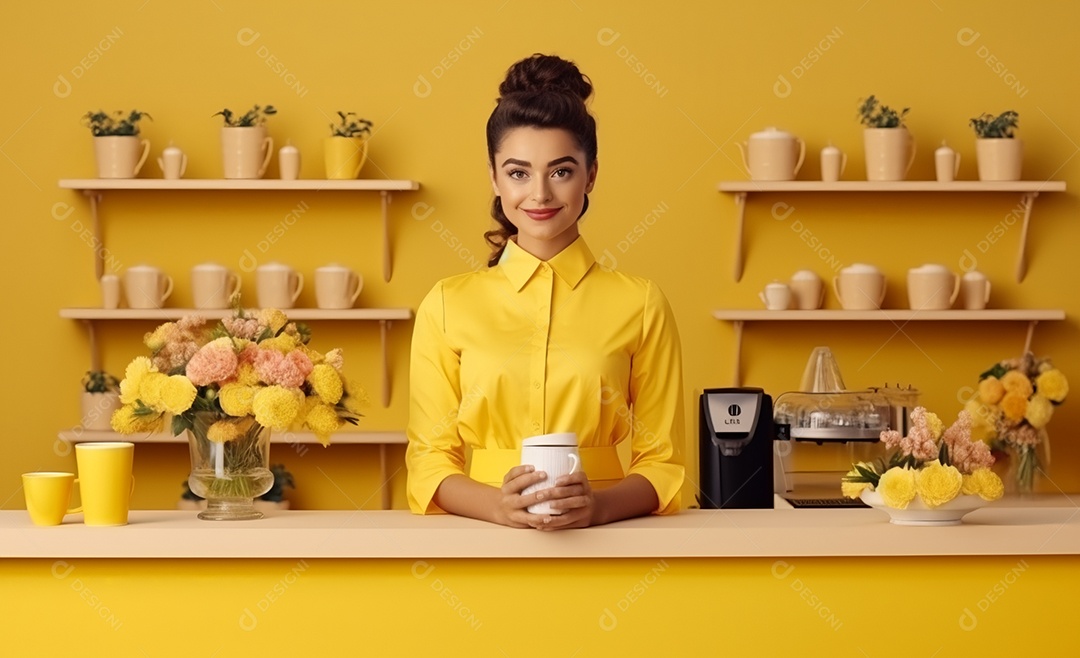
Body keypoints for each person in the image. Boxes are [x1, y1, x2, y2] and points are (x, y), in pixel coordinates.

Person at [406, 53, 684, 530]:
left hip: (610, 540)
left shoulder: (641, 303)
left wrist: (598, 508)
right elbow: (429, 462)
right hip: (481, 534)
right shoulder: (448, 303)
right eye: (518, 173)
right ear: (494, 177)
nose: (539, 194)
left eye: (560, 171)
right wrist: (497, 507)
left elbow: (663, 462)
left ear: (590, 174)